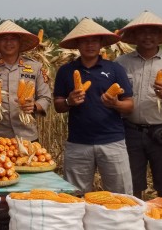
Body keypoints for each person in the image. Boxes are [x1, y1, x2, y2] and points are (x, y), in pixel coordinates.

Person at [52, 17, 134, 194]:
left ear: (101, 44)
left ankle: (118, 222)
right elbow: (58, 105)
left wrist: (116, 104)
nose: (90, 45)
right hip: (78, 143)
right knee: (75, 196)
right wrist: (69, 101)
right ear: (77, 45)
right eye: (85, 41)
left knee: (120, 194)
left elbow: (129, 106)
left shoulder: (115, 69)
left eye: (94, 41)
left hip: (112, 142)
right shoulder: (65, 71)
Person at [115, 11, 162, 198]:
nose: (148, 36)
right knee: (131, 186)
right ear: (134, 36)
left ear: (160, 37)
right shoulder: (121, 63)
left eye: (153, 32)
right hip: (129, 131)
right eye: (143, 32)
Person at [0, 20, 51, 144]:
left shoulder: (36, 67)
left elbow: (45, 97)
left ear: (20, 42)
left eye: (13, 39)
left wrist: (34, 106)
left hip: (27, 136)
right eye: (4, 39)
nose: (8, 43)